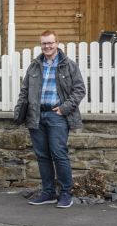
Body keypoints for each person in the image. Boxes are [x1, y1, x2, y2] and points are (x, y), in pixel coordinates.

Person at [14, 30, 86, 208]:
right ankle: (48, 192)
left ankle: (65, 193)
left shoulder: (69, 65)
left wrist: (64, 108)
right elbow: (24, 92)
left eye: (50, 43)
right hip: (36, 115)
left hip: (57, 116)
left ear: (57, 43)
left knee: (59, 154)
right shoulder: (34, 66)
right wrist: (18, 113)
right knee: (42, 156)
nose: (47, 46)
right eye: (44, 43)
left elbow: (79, 90)